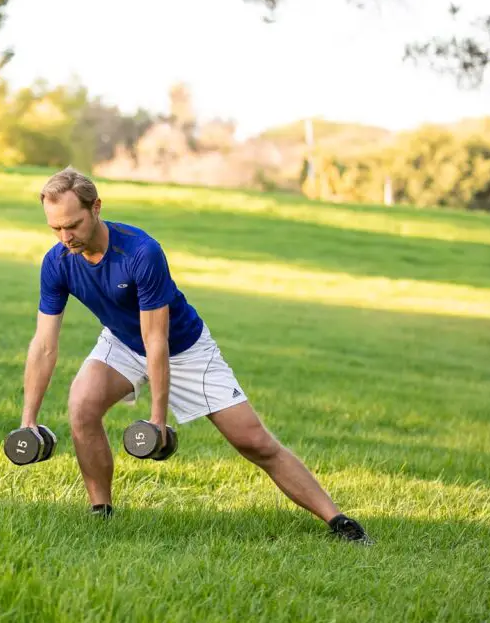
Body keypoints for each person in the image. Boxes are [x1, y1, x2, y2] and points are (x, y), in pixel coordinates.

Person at [19, 167, 372, 544]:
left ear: (97, 208)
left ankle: (339, 521)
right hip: (122, 341)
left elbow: (157, 340)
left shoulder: (140, 252)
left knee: (254, 442)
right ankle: (100, 513)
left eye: (72, 224)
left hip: (184, 349)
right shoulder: (57, 261)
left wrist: (157, 419)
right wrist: (28, 420)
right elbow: (44, 345)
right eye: (55, 228)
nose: (65, 237)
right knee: (82, 406)